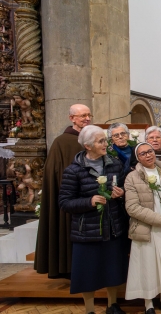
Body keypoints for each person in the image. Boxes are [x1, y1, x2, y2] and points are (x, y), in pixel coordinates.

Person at [58, 125, 129, 314]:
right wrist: (89, 201)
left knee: (113, 269)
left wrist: (121, 194)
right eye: (101, 141)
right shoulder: (73, 171)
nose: (106, 144)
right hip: (87, 230)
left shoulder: (115, 164)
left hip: (113, 225)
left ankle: (112, 305)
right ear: (88, 146)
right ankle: (89, 309)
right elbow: (65, 202)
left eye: (105, 140)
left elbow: (124, 190)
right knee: (87, 273)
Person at [124, 143, 161, 314]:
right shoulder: (132, 177)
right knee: (148, 265)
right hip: (147, 228)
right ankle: (148, 303)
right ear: (138, 158)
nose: (148, 155)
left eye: (150, 151)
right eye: (143, 153)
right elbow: (132, 208)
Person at [35, 104, 91, 279]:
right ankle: (66, 266)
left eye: (89, 115)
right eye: (82, 116)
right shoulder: (62, 142)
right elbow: (54, 172)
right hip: (71, 197)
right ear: (72, 118)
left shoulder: (92, 138)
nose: (87, 118)